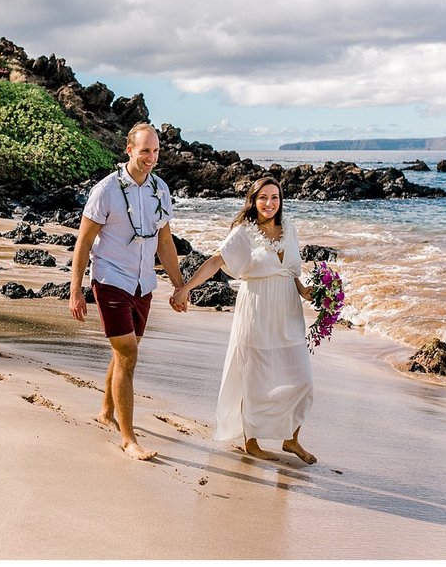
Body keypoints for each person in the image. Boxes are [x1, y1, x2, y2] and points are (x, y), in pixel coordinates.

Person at [172, 176, 317, 464]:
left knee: (302, 380)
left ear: (281, 200)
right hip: (257, 307)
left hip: (288, 310)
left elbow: (292, 271)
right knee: (255, 377)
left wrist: (308, 291)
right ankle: (251, 440)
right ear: (253, 200)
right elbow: (216, 261)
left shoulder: (289, 229)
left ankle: (292, 439)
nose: (269, 203)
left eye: (274, 197)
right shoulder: (244, 233)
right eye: (263, 198)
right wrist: (186, 288)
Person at [69, 122, 187, 460]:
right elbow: (84, 241)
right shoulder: (106, 190)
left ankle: (106, 410)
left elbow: (164, 242)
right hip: (110, 280)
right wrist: (76, 290)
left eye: (156, 151)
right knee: (128, 355)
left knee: (125, 351)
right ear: (129, 149)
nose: (151, 157)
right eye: (145, 150)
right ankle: (128, 438)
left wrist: (179, 285)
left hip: (143, 284)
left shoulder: (160, 189)